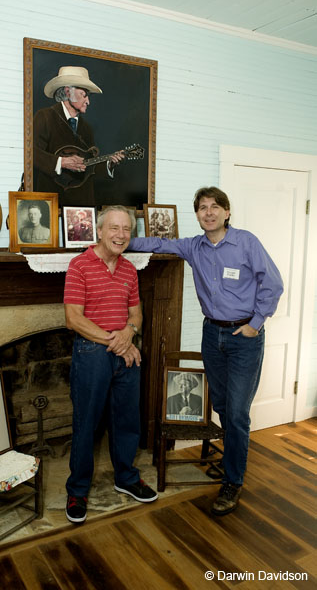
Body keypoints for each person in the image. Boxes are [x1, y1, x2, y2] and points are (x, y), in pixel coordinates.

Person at [128, 186, 283, 516]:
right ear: (196, 214)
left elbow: (273, 283)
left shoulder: (247, 242)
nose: (208, 212)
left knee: (238, 414)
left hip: (244, 338)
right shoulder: (193, 247)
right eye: (202, 208)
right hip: (212, 335)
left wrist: (255, 323)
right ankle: (232, 464)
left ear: (227, 212)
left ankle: (233, 481)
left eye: (215, 207)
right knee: (225, 407)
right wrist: (118, 241)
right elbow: (157, 243)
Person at [63, 205, 158, 524]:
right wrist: (115, 341)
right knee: (86, 424)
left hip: (125, 352)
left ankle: (127, 478)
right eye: (114, 228)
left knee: (128, 420)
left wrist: (128, 334)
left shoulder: (130, 269)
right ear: (100, 231)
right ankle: (77, 490)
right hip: (92, 354)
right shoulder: (79, 265)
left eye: (126, 230)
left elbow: (136, 315)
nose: (120, 235)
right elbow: (73, 319)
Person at [33, 66, 124, 206]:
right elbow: (31, 154)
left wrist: (108, 164)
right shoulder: (44, 117)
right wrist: (61, 162)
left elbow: (88, 167)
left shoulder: (86, 129)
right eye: (84, 94)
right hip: (52, 204)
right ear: (68, 92)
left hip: (81, 207)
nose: (88, 101)